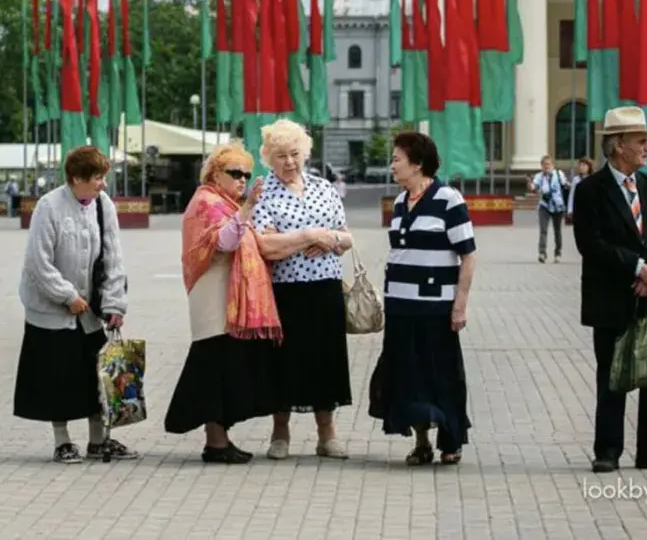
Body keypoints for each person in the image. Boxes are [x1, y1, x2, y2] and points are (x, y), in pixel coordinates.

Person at [571, 106, 647, 474]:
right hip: (612, 299)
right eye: (641, 141)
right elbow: (589, 243)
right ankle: (608, 450)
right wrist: (638, 269)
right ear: (618, 145)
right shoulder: (591, 190)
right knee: (613, 375)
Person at [13, 146, 136, 464]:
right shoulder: (49, 206)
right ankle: (63, 441)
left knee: (96, 375)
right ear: (77, 178)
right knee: (59, 377)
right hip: (52, 310)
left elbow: (113, 256)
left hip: (91, 309)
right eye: (97, 178)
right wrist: (67, 297)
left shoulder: (102, 205)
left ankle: (99, 440)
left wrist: (114, 304)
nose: (102, 185)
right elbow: (38, 263)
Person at [165, 142, 281, 464]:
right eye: (235, 173)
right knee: (213, 369)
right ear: (216, 173)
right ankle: (215, 442)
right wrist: (247, 210)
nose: (243, 180)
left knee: (225, 369)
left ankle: (220, 438)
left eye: (246, 174)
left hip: (225, 299)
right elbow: (226, 242)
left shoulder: (226, 202)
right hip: (212, 299)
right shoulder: (206, 201)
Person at [368, 132, 477, 465]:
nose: (392, 165)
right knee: (408, 376)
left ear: (417, 164)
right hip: (401, 306)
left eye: (397, 159)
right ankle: (421, 442)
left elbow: (468, 256)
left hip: (435, 307)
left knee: (441, 374)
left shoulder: (448, 199)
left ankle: (452, 441)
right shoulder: (401, 202)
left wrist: (459, 305)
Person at [252, 119, 354, 461]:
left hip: (325, 289)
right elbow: (265, 245)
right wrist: (310, 236)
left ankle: (327, 434)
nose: (289, 162)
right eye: (280, 155)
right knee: (284, 361)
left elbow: (346, 237)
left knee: (326, 360)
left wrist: (332, 240)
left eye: (294, 154)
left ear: (305, 153)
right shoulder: (263, 192)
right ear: (269, 158)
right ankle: (280, 432)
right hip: (285, 290)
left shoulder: (324, 187)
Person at [528, 155, 569, 263]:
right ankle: (542, 253)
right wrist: (530, 184)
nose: (546, 166)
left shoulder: (558, 174)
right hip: (544, 206)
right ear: (541, 166)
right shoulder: (539, 176)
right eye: (544, 164)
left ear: (552, 165)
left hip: (558, 206)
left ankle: (558, 253)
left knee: (557, 230)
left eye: (548, 164)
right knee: (543, 230)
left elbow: (566, 186)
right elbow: (534, 189)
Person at [566, 157, 593, 223]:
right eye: (580, 165)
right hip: (578, 209)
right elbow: (572, 195)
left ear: (589, 167)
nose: (581, 167)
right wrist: (570, 210)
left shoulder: (594, 178)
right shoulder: (576, 180)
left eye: (584, 165)